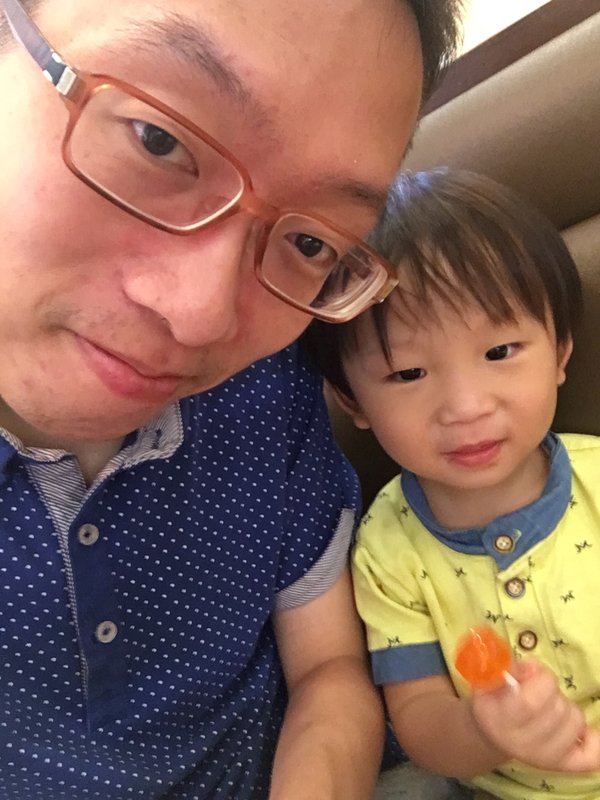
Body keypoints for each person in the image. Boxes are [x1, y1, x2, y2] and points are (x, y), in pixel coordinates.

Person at [0, 0, 464, 797]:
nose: (203, 316)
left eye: (312, 243)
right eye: (158, 138)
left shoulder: (265, 393)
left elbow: (329, 669)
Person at [306, 168, 600, 799]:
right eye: (409, 373)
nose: (465, 407)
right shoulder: (386, 550)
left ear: (560, 351)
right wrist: (488, 729)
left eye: (500, 352)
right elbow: (421, 724)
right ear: (351, 400)